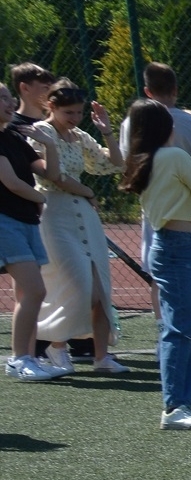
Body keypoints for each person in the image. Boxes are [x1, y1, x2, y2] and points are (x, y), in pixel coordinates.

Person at [123, 99, 191, 428]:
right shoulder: (174, 156)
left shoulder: (144, 159)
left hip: (177, 245)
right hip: (179, 247)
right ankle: (175, 405)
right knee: (181, 329)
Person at [32, 81, 124, 372]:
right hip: (54, 213)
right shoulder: (42, 132)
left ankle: (101, 357)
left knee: (99, 287)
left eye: (79, 112)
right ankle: (56, 347)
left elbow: (114, 164)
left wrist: (107, 131)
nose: (74, 118)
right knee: (76, 285)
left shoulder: (79, 136)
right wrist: (88, 191)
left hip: (83, 214)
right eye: (68, 112)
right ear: (51, 106)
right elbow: (53, 176)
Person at [1, 62, 59, 382]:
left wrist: (48, 143)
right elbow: (11, 183)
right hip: (5, 222)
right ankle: (19, 359)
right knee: (35, 290)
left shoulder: (14, 136)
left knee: (29, 294)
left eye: (9, 97)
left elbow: (49, 173)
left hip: (25, 221)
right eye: (2, 98)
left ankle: (26, 357)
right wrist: (41, 198)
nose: (10, 103)